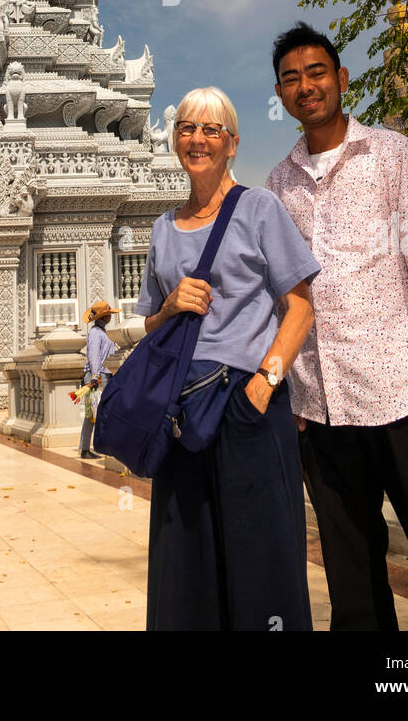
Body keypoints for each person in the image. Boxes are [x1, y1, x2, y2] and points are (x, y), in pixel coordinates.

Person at [266, 21, 408, 632]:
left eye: (316, 73)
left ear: (341, 79)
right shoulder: (278, 185)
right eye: (291, 79)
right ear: (281, 95)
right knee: (354, 583)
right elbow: (282, 296)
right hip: (323, 407)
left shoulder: (392, 155)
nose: (305, 87)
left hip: (404, 403)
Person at [134, 86, 321, 631]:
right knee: (184, 555)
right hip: (182, 409)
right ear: (174, 139)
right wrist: (168, 306)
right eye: (187, 127)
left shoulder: (259, 208)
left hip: (246, 406)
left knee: (261, 554)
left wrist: (265, 382)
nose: (197, 139)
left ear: (232, 143)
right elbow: (148, 323)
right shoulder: (162, 227)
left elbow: (301, 307)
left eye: (211, 130)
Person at [78, 300, 118, 459]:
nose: (110, 318)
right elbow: (94, 356)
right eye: (108, 315)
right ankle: (85, 448)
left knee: (100, 412)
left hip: (104, 376)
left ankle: (95, 446)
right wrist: (95, 377)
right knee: (92, 413)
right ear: (105, 316)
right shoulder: (95, 333)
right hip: (98, 377)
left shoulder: (102, 332)